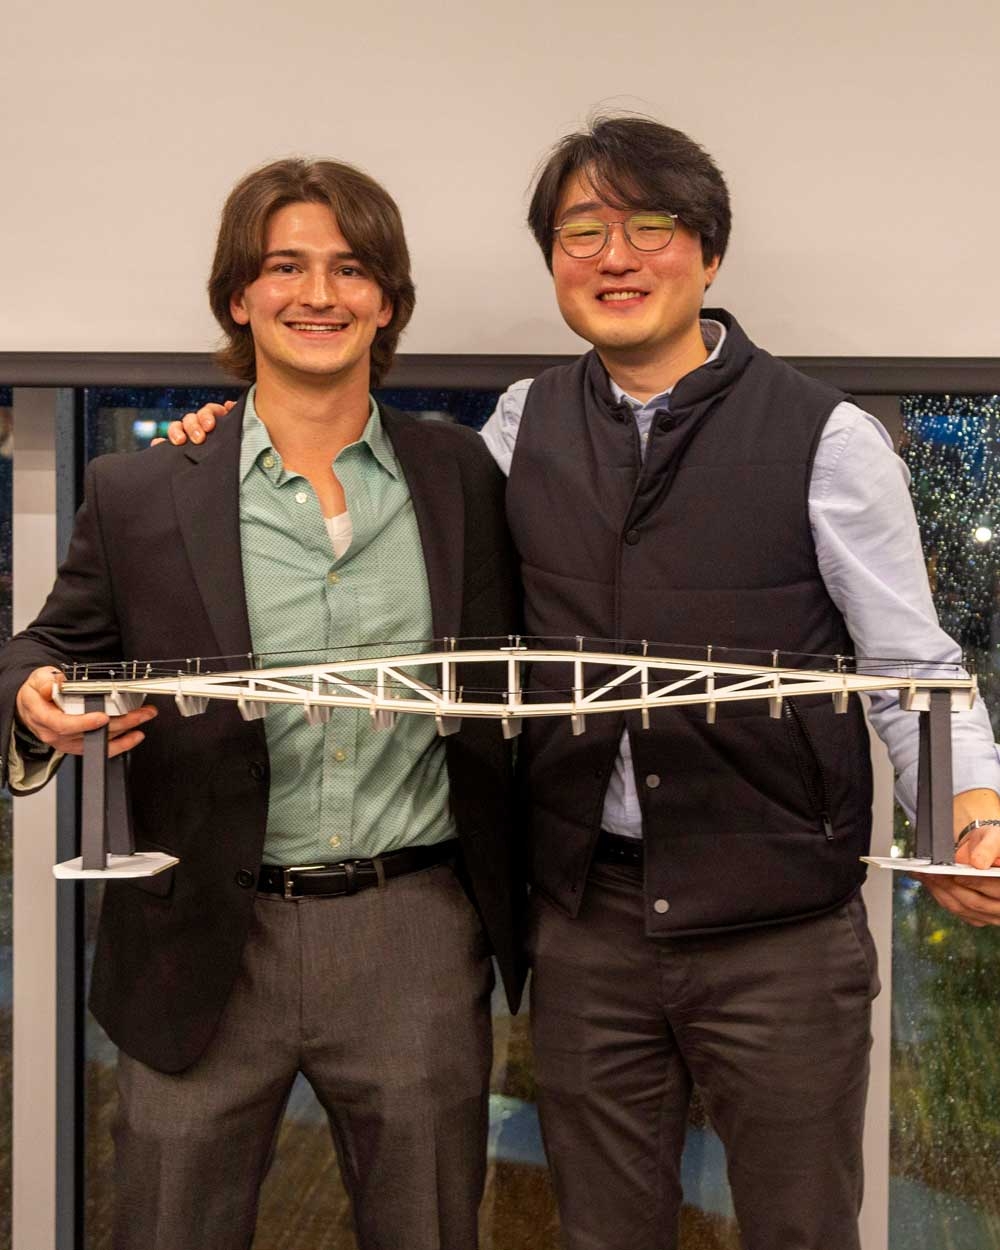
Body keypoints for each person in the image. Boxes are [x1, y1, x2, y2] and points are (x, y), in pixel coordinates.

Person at [169, 118, 1000, 1250]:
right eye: (581, 231)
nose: (615, 256)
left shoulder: (829, 436)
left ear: (706, 253)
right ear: (554, 260)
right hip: (585, 924)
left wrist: (969, 808)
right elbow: (377, 502)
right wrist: (224, 437)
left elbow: (911, 669)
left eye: (649, 227)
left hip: (778, 930)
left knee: (801, 1227)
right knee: (602, 1232)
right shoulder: (519, 425)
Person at [0, 157, 523, 1250]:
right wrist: (33, 699)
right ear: (239, 295)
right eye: (285, 266)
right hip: (198, 941)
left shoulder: (464, 474)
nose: (318, 294)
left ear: (388, 299)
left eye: (350, 268)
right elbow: (42, 649)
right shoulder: (143, 491)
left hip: (413, 935)